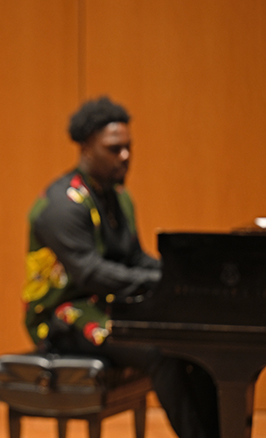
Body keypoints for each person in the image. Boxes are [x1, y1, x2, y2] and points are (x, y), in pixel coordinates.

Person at [22, 97, 219, 438]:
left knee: (194, 344)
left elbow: (134, 258)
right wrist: (159, 280)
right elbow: (90, 273)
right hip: (62, 314)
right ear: (86, 147)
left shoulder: (117, 196)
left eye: (128, 147)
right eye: (114, 149)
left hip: (105, 304)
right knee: (159, 352)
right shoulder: (62, 204)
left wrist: (177, 275)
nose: (125, 156)